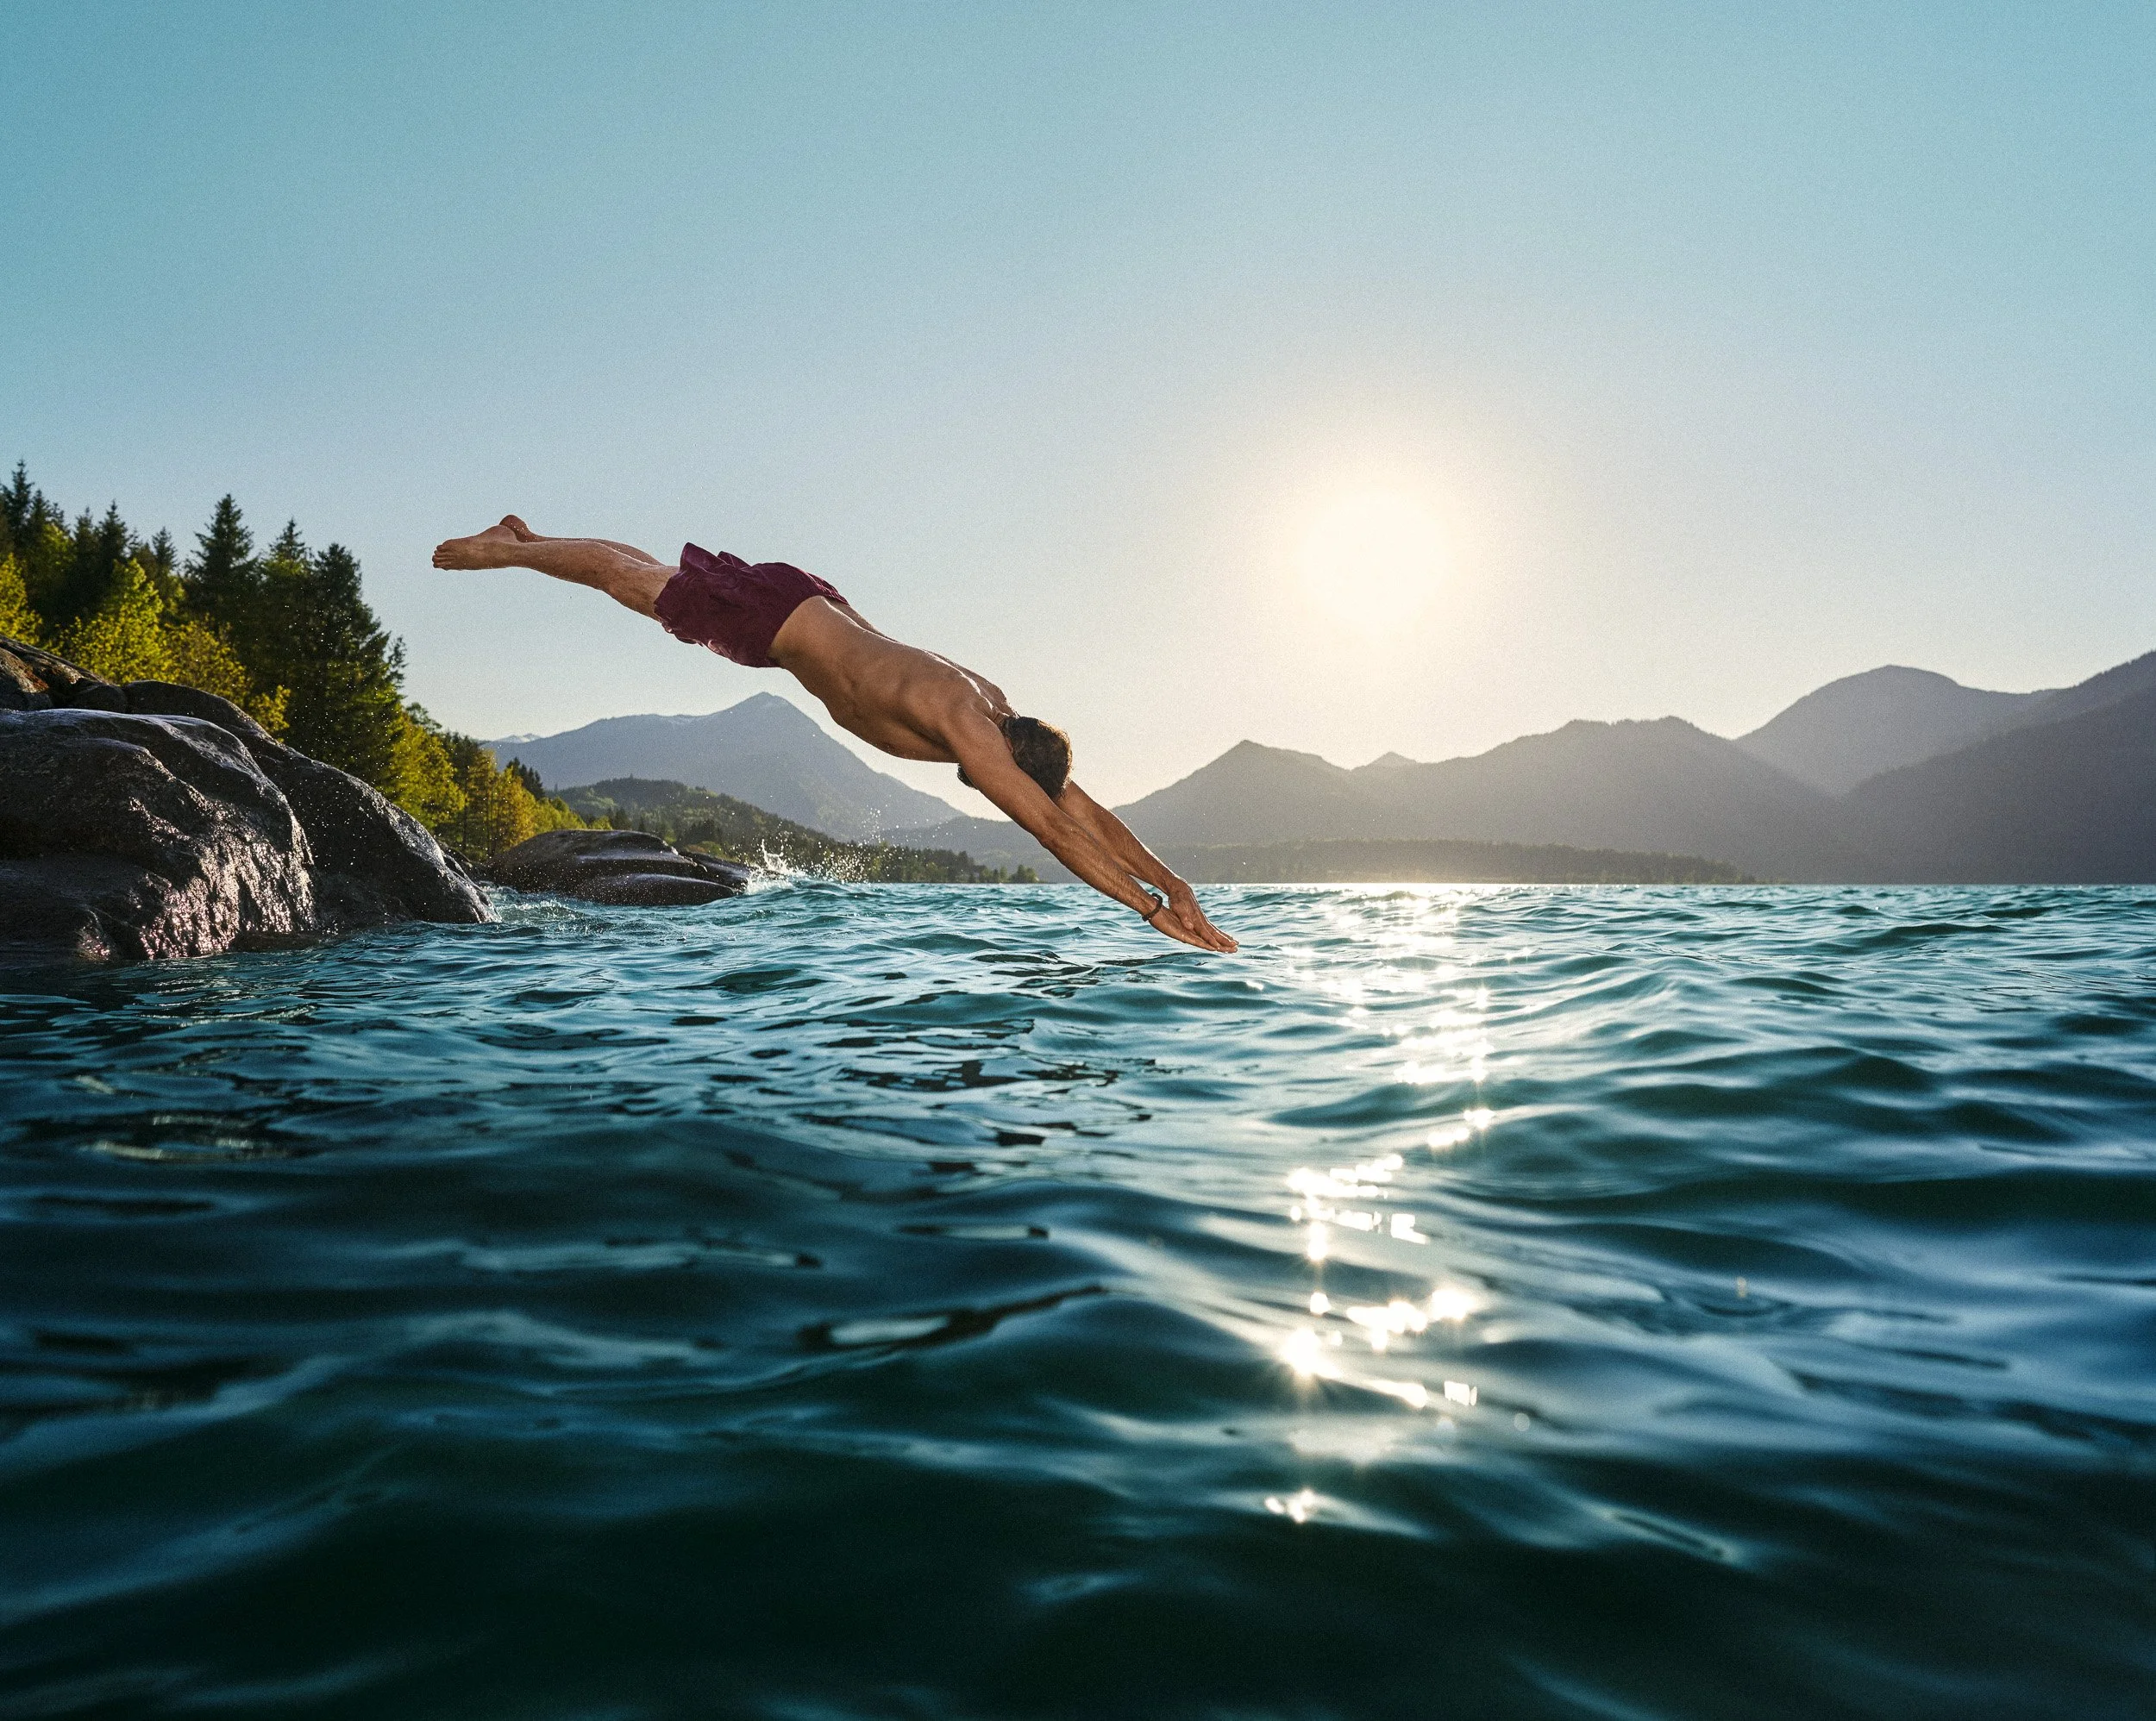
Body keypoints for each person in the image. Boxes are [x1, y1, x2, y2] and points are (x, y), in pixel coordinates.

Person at [434, 519, 1237, 952]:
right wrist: (1145, 907)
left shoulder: (997, 707)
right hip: (782, 621)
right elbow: (1054, 829)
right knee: (631, 584)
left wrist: (1179, 884)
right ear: (1002, 763)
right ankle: (512, 551)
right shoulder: (971, 727)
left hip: (812, 607)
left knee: (650, 585)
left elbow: (1082, 812)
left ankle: (529, 540)